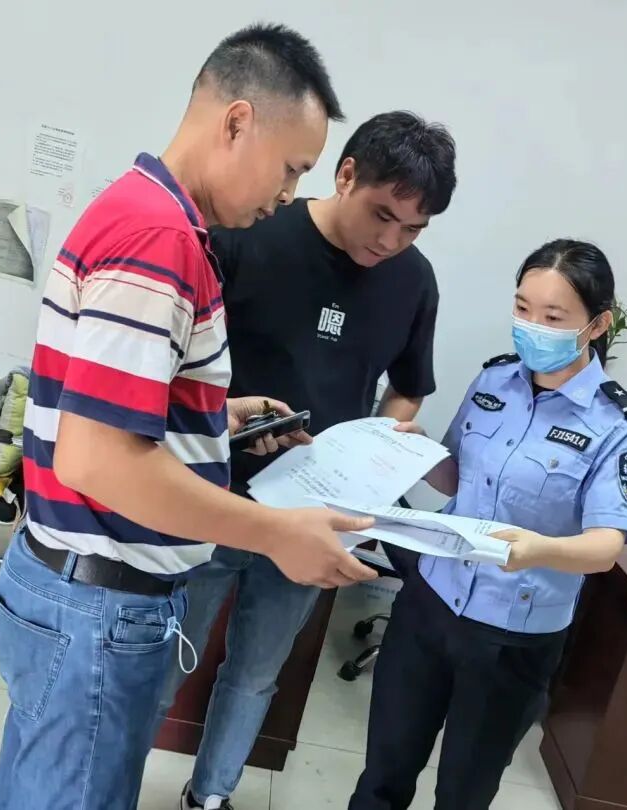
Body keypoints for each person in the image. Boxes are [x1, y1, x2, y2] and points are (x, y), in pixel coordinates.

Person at [0, 24, 380, 810]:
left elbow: (103, 407)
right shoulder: (159, 241)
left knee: (30, 787)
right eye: (292, 167)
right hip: (98, 604)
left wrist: (210, 417)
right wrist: (274, 533)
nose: (289, 194)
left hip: (70, 586)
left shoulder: (141, 210)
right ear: (238, 121)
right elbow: (97, 459)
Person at [159, 110, 458, 810]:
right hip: (211, 498)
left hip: (316, 517)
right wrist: (227, 418)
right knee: (167, 660)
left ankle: (210, 797)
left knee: (257, 672)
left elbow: (407, 390)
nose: (391, 241)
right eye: (382, 216)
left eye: (413, 229)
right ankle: (114, 785)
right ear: (345, 174)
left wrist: (384, 445)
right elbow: (177, 367)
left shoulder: (414, 282)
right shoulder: (249, 234)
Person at [348, 239, 627, 810]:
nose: (532, 327)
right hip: (430, 603)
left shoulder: (618, 421)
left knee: (463, 793)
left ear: (597, 324)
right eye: (522, 308)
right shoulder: (495, 380)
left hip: (513, 634)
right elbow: (456, 478)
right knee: (383, 774)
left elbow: (606, 546)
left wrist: (536, 550)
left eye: (553, 317)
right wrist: (412, 449)